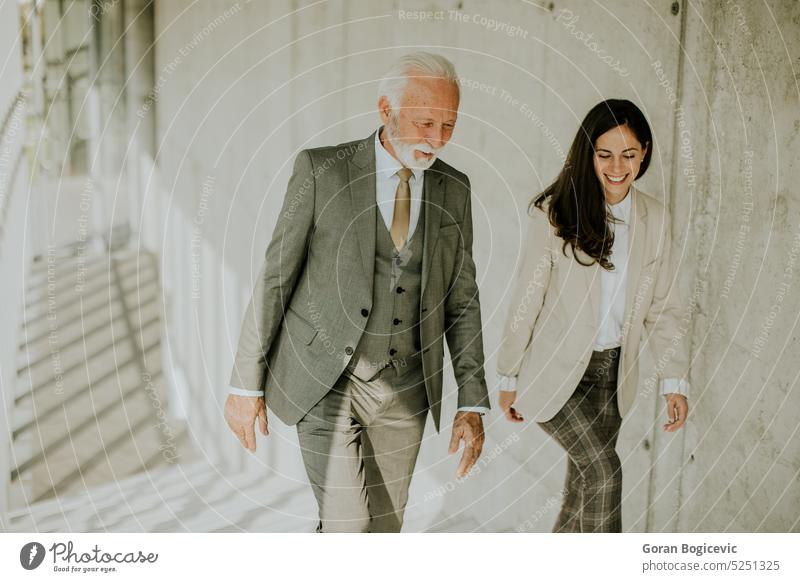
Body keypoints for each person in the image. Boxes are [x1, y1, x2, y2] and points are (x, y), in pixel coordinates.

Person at [224, 52, 490, 533]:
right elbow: (275, 277)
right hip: (326, 382)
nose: (437, 138)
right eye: (425, 121)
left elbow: (462, 300)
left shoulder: (455, 189)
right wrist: (245, 384)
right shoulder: (322, 171)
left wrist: (471, 401)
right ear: (385, 109)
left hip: (406, 392)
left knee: (383, 534)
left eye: (449, 124)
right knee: (349, 528)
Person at [497, 99, 690, 533]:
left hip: (612, 377)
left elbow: (664, 307)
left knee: (584, 487)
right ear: (589, 155)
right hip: (553, 374)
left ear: (644, 152)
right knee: (604, 475)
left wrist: (675, 382)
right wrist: (508, 374)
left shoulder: (656, 219)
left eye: (628, 153)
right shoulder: (555, 213)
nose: (617, 166)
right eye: (604, 154)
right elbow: (527, 298)